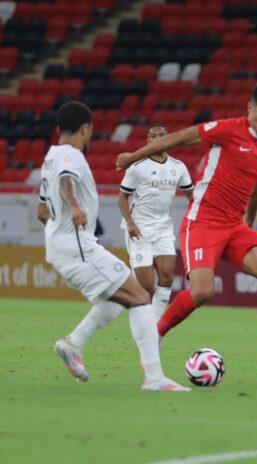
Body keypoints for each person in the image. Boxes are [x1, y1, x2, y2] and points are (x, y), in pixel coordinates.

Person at [116, 82, 257, 377]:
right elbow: (179, 138)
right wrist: (134, 156)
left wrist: (248, 224)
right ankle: (154, 337)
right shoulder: (228, 129)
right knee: (203, 291)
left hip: (233, 227)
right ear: (250, 108)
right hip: (202, 222)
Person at [38, 101, 189, 392]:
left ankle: (73, 343)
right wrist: (73, 207)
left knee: (120, 297)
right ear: (86, 128)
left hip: (62, 246)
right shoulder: (71, 156)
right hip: (78, 247)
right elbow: (67, 181)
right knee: (140, 296)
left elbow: (41, 211)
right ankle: (155, 378)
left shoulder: (50, 157)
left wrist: (61, 224)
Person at [118, 123, 194, 318]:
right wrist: (130, 223)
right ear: (148, 140)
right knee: (147, 285)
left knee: (167, 276)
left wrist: (199, 215)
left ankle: (154, 326)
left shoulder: (178, 167)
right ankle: (126, 285)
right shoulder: (137, 167)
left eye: (162, 135)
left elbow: (191, 195)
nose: (158, 139)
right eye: (153, 136)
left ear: (170, 139)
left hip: (163, 227)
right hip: (139, 227)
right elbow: (122, 197)